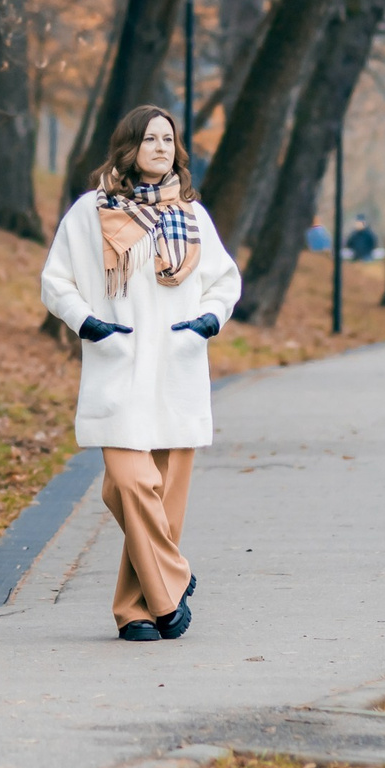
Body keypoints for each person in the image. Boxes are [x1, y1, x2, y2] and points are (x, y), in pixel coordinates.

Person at [40, 105, 242, 644]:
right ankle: (173, 578)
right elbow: (55, 281)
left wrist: (208, 320)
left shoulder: (193, 215)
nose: (160, 147)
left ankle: (136, 611)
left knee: (165, 501)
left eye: (168, 139)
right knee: (128, 485)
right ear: (128, 146)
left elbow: (226, 280)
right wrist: (88, 324)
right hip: (120, 366)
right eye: (149, 138)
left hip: (177, 369)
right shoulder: (91, 211)